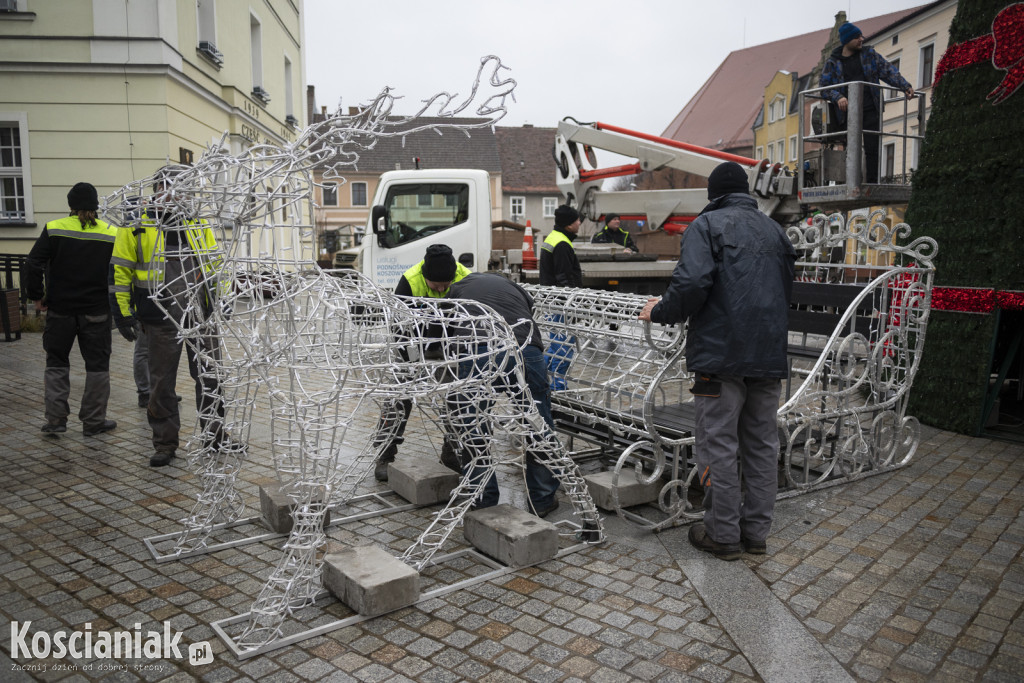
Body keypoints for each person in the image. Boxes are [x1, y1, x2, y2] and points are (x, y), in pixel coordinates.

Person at [639, 161, 796, 560]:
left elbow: (691, 283)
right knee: (762, 445)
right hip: (768, 354)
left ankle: (722, 536)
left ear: (714, 195)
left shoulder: (706, 227)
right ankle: (755, 534)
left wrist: (659, 311)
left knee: (718, 445)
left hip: (721, 355)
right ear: (747, 192)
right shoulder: (775, 231)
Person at [111, 166, 225, 467]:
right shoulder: (136, 225)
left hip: (201, 316)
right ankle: (164, 443)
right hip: (160, 318)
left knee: (211, 377)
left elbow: (215, 267)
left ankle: (216, 436)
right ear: (158, 190)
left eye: (185, 190)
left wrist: (220, 300)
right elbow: (119, 272)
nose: (178, 195)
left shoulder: (198, 223)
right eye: (172, 188)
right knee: (161, 383)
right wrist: (123, 313)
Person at [444, 273, 561, 517]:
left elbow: (446, 325)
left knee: (474, 425)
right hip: (525, 349)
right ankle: (541, 500)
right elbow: (528, 309)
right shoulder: (512, 286)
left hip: (478, 351)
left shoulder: (457, 289)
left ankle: (483, 498)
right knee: (538, 424)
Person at [372, 244, 472, 481]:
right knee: (398, 396)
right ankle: (386, 454)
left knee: (458, 396)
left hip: (450, 347)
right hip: (414, 345)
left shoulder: (464, 277)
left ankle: (452, 453)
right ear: (425, 275)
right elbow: (398, 326)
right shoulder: (410, 280)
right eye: (435, 284)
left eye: (445, 285)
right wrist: (412, 361)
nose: (440, 288)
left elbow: (471, 320)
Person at [27, 182, 119, 437]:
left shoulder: (54, 228)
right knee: (98, 366)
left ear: (70, 205)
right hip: (97, 312)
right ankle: (93, 421)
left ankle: (56, 421)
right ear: (96, 207)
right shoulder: (111, 232)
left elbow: (33, 263)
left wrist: (36, 297)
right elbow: (120, 271)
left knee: (56, 363)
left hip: (60, 311)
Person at [819, 21, 915, 184]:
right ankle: (848, 182)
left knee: (873, 147)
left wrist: (904, 86)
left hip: (871, 109)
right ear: (847, 40)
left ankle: (872, 182)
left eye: (861, 36)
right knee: (851, 150)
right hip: (848, 113)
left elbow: (888, 71)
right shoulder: (833, 63)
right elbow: (824, 87)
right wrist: (838, 97)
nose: (861, 39)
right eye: (857, 37)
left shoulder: (869, 55)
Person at [539, 205, 582, 390]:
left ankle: (542, 381)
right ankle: (558, 387)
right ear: (568, 224)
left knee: (556, 346)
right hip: (561, 304)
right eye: (576, 220)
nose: (579, 223)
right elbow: (564, 277)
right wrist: (573, 304)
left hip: (552, 301)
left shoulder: (554, 238)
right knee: (564, 348)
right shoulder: (562, 243)